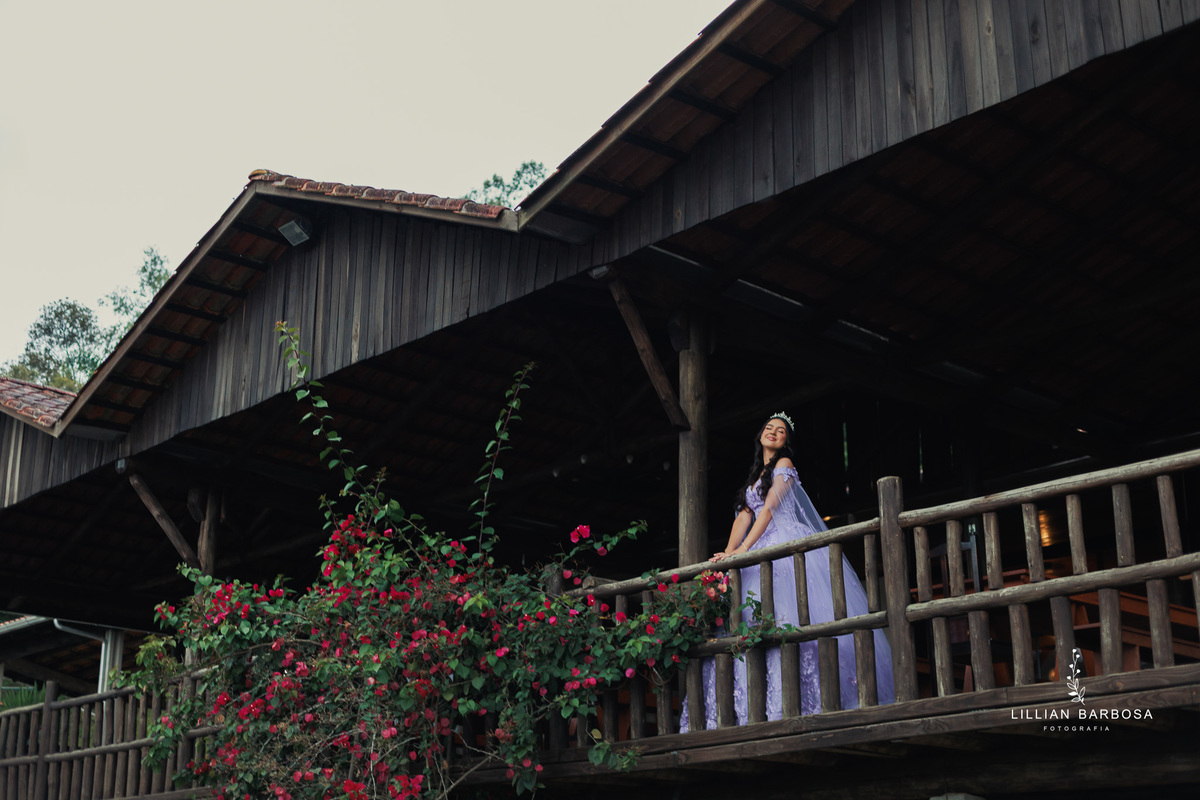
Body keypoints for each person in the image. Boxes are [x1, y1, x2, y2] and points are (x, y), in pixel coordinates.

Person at [679, 413, 894, 730]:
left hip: (780, 542)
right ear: (760, 435)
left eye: (780, 431)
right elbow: (744, 516)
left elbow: (769, 509)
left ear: (785, 441)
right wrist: (727, 554)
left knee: (787, 616)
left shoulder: (784, 465)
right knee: (749, 620)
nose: (773, 432)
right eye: (769, 428)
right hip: (756, 546)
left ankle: (802, 702)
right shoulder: (755, 475)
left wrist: (745, 549)